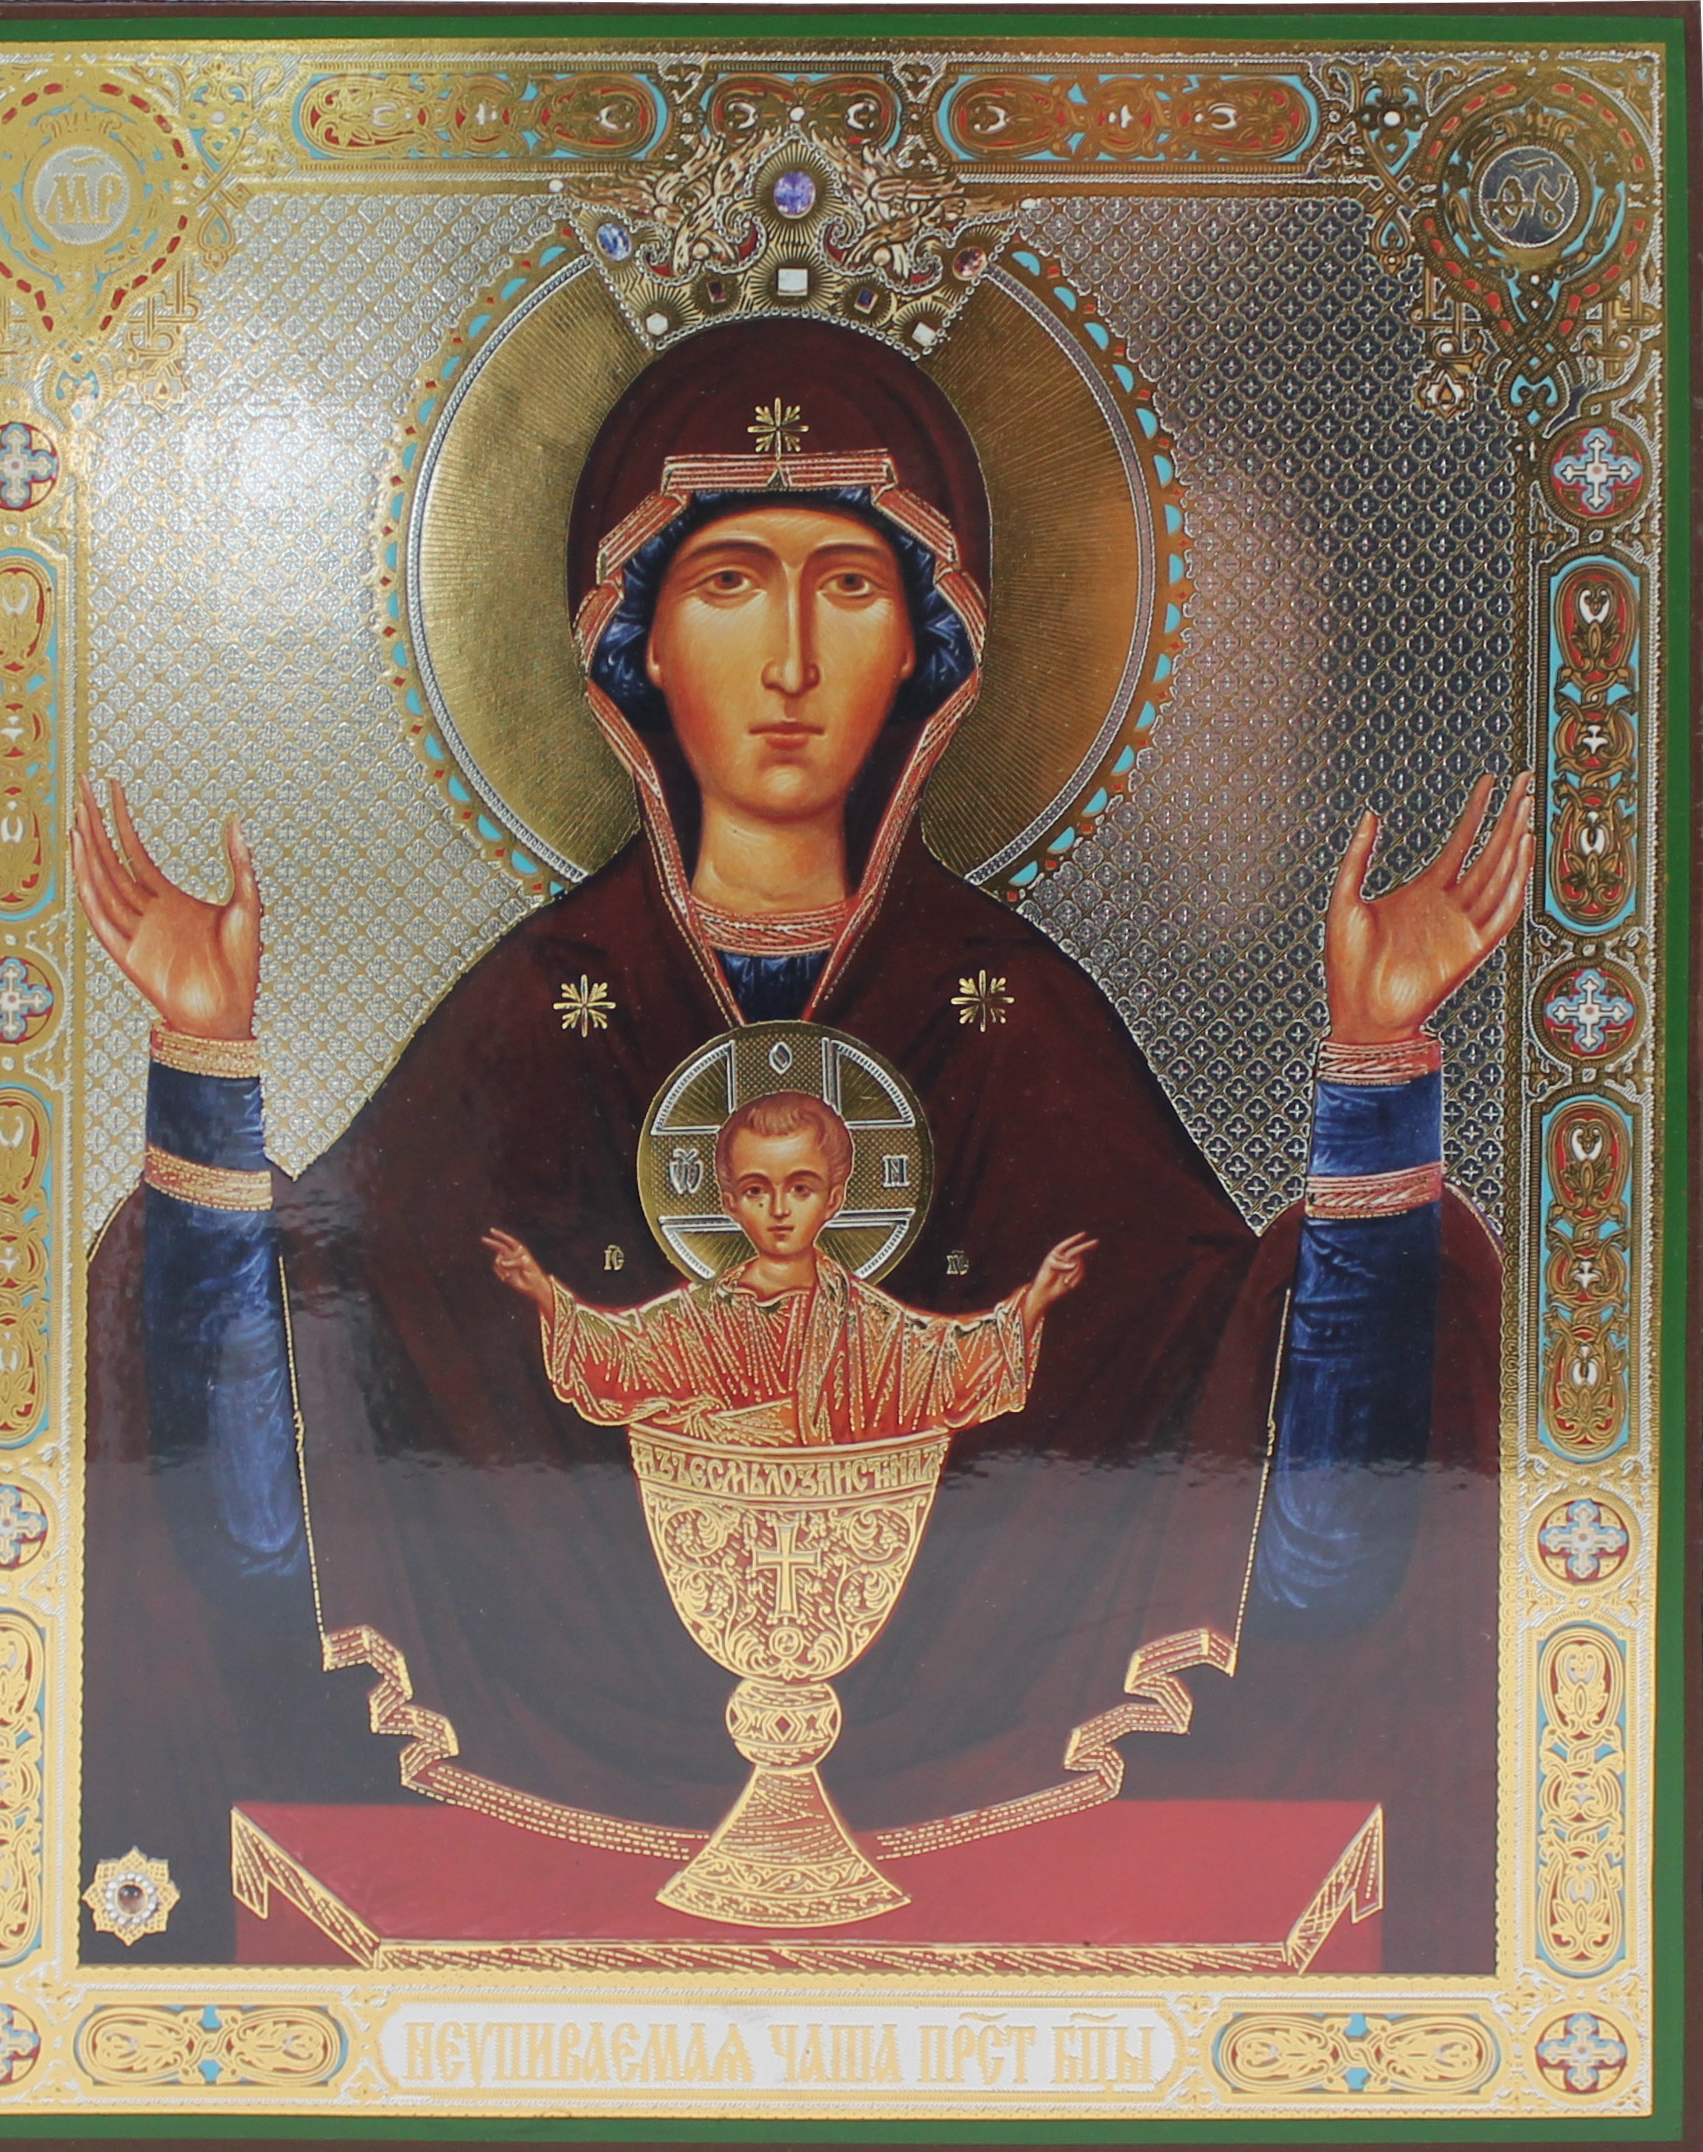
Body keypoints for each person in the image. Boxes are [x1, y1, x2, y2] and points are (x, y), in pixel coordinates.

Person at [76, 317, 1530, 1969]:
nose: (787, 661)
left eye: (846, 588)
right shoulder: (532, 1014)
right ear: (630, 643)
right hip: (531, 1818)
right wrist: (203, 1062)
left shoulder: (1016, 1021)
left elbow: (1309, 1528)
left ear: (929, 646)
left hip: (1021, 1831)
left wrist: (1375, 1065)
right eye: (727, 584)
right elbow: (267, 1498)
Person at [484, 1090, 1096, 1448]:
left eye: (801, 1188)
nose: (779, 1210)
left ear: (834, 1199)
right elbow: (623, 1355)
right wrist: (543, 1292)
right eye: (757, 1190)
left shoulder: (868, 1325)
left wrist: (1035, 1300)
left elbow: (944, 1363)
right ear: (729, 1203)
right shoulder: (695, 1321)